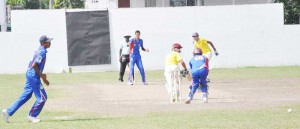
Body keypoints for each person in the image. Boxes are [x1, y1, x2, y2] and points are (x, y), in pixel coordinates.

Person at [2, 35, 53, 123]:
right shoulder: (42, 52)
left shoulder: (39, 50)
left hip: (30, 74)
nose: (50, 43)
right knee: (42, 98)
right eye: (48, 41)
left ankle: (8, 112)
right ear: (43, 43)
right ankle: (32, 116)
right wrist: (41, 76)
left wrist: (42, 77)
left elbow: (33, 64)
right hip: (33, 75)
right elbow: (34, 65)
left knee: (26, 95)